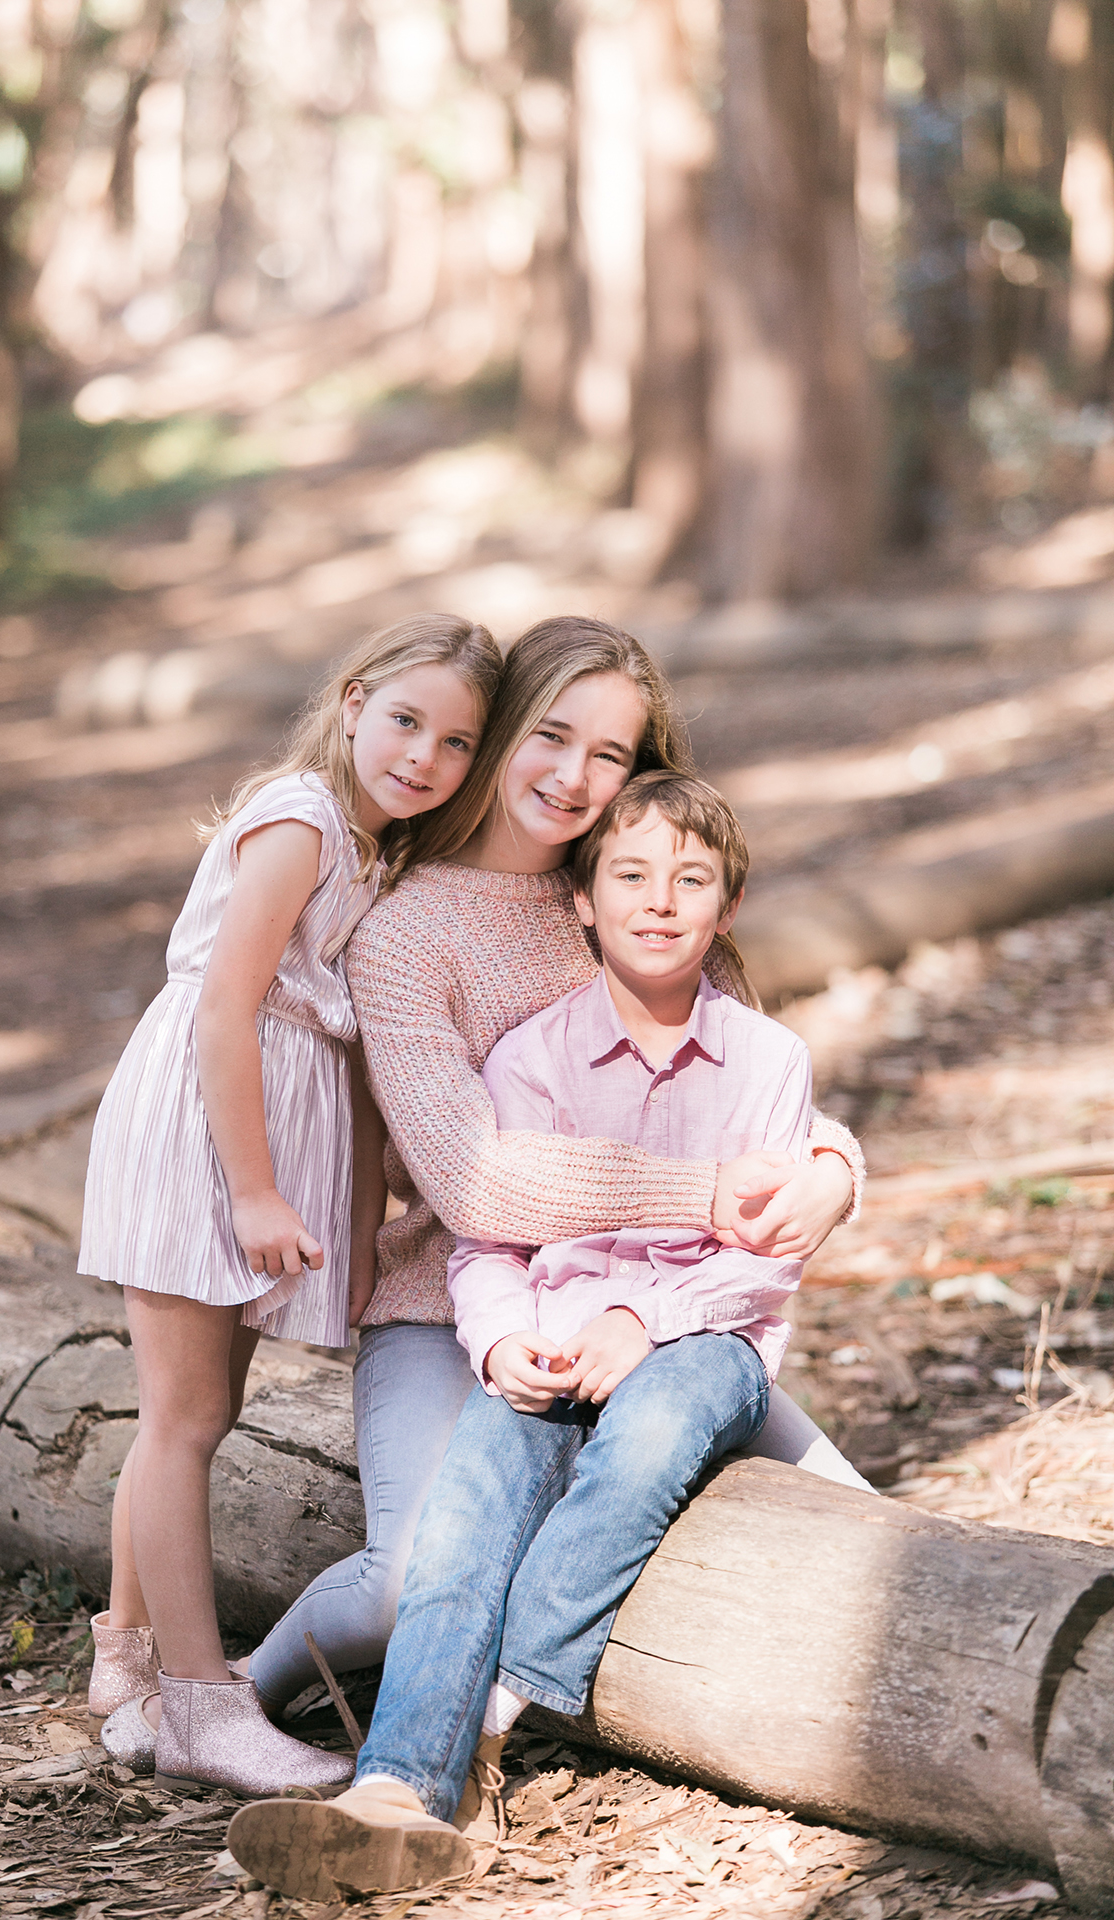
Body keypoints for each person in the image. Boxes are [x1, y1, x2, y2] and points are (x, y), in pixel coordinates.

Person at [245, 617, 869, 1726]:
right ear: (495, 735)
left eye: (613, 756)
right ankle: (241, 1690)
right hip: (458, 1312)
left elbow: (749, 1088)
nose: (576, 778)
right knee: (403, 1587)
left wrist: (832, 1164)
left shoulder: (641, 879)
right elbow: (473, 1184)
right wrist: (702, 1193)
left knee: (858, 1526)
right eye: (549, 735)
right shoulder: (404, 933)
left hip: (662, 1310)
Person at [225, 770, 826, 1898]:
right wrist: (500, 1342)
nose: (658, 901)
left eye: (690, 880)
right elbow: (483, 1242)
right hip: (544, 1343)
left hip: (703, 1348)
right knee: (464, 1516)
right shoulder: (532, 1057)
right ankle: (396, 1788)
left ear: (727, 908)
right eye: (630, 875)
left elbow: (763, 1256)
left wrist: (636, 1318)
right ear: (582, 903)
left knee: (645, 1435)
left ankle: (494, 1705)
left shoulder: (764, 1061)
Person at [77, 613, 502, 1797]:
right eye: (406, 719)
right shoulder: (301, 818)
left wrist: (362, 1212)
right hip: (203, 1131)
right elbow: (226, 1008)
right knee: (186, 1418)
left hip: (261, 1132)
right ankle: (203, 1710)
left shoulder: (375, 849)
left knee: (193, 1410)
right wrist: (259, 1190)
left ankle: (126, 1658)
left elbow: (349, 1052)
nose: (422, 756)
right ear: (355, 698)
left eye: (456, 743)